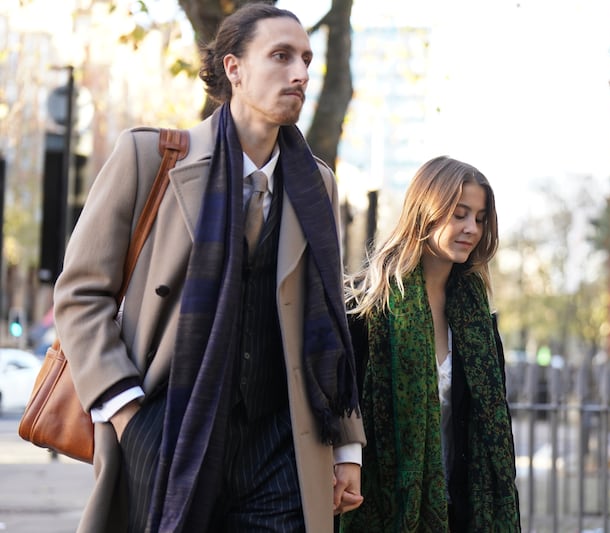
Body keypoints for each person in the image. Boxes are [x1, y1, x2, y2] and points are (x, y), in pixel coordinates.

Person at [52, 4, 364, 532]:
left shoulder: (317, 185)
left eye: (307, 60)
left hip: (280, 448)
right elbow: (81, 295)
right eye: (281, 56)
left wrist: (347, 445)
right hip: (169, 429)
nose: (301, 74)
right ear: (233, 68)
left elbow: (329, 317)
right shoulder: (150, 158)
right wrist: (129, 415)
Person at [339, 156, 520, 532]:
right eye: (459, 214)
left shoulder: (478, 323)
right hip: (381, 509)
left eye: (480, 218)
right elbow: (340, 409)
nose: (472, 228)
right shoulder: (366, 307)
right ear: (426, 212)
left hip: (462, 513)